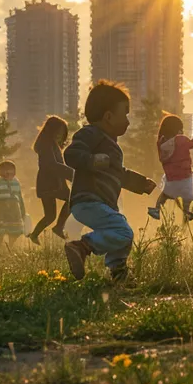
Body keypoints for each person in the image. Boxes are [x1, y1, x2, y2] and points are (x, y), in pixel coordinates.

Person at [63, 81, 156, 283]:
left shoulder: (111, 145)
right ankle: (82, 247)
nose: (128, 121)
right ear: (108, 116)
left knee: (120, 233)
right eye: (125, 114)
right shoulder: (91, 134)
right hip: (88, 200)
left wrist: (141, 184)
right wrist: (91, 160)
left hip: (101, 204)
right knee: (123, 232)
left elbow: (119, 174)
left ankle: (118, 274)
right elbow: (71, 154)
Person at [148, 115, 193, 222]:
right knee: (187, 196)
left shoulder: (161, 143)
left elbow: (162, 159)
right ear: (178, 129)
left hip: (171, 176)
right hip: (185, 175)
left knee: (164, 195)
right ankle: (187, 212)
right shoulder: (182, 140)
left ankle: (156, 209)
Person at [28, 115, 74, 244]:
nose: (60, 135)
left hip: (50, 182)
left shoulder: (51, 144)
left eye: (62, 133)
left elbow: (57, 165)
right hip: (50, 182)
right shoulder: (46, 144)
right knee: (72, 199)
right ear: (51, 131)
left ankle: (35, 234)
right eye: (58, 132)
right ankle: (58, 227)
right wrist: (72, 174)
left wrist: (70, 173)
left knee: (50, 215)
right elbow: (52, 165)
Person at [0, 160, 27, 249]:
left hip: (14, 209)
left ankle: (10, 246)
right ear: (0, 172)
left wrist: (23, 210)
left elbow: (19, 197)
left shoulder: (16, 182)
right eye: (6, 170)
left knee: (15, 229)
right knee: (0, 229)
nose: (9, 173)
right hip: (0, 209)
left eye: (11, 170)